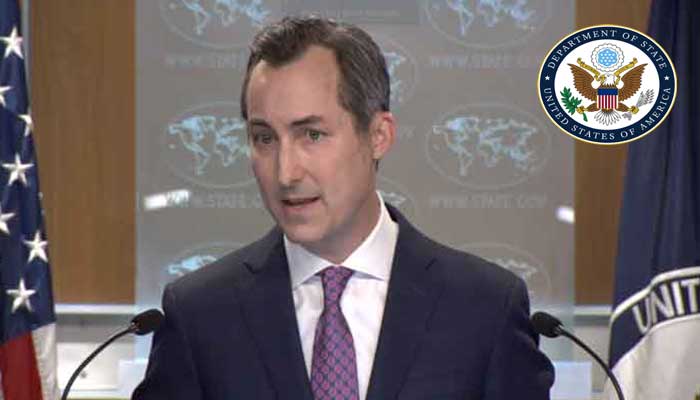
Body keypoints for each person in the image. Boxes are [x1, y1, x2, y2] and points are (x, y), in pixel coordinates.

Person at [132, 15, 554, 400]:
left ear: (378, 135)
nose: (285, 172)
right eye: (264, 138)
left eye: (312, 135)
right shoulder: (200, 315)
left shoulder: (485, 307)